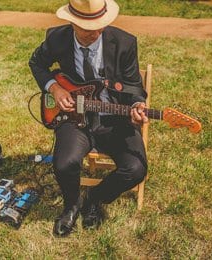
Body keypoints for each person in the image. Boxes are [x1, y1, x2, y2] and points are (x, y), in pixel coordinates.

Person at [28, 0, 148, 237]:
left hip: (113, 117)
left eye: (99, 26)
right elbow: (37, 64)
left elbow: (134, 84)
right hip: (74, 117)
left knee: (136, 168)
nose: (95, 32)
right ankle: (71, 205)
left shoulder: (124, 42)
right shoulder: (57, 38)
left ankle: (93, 199)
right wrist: (54, 88)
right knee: (64, 163)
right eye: (86, 27)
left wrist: (136, 104)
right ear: (72, 22)